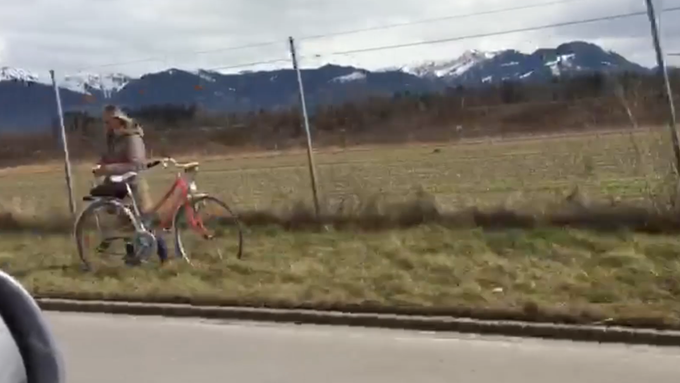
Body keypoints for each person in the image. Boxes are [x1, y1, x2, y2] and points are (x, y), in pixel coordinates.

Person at [91, 105, 169, 266]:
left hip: (134, 186)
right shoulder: (113, 138)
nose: (106, 125)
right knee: (125, 225)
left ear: (118, 120)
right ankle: (132, 259)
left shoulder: (132, 138)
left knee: (148, 222)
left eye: (108, 121)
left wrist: (108, 169)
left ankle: (164, 258)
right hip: (118, 187)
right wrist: (100, 166)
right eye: (104, 122)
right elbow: (107, 157)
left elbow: (135, 165)